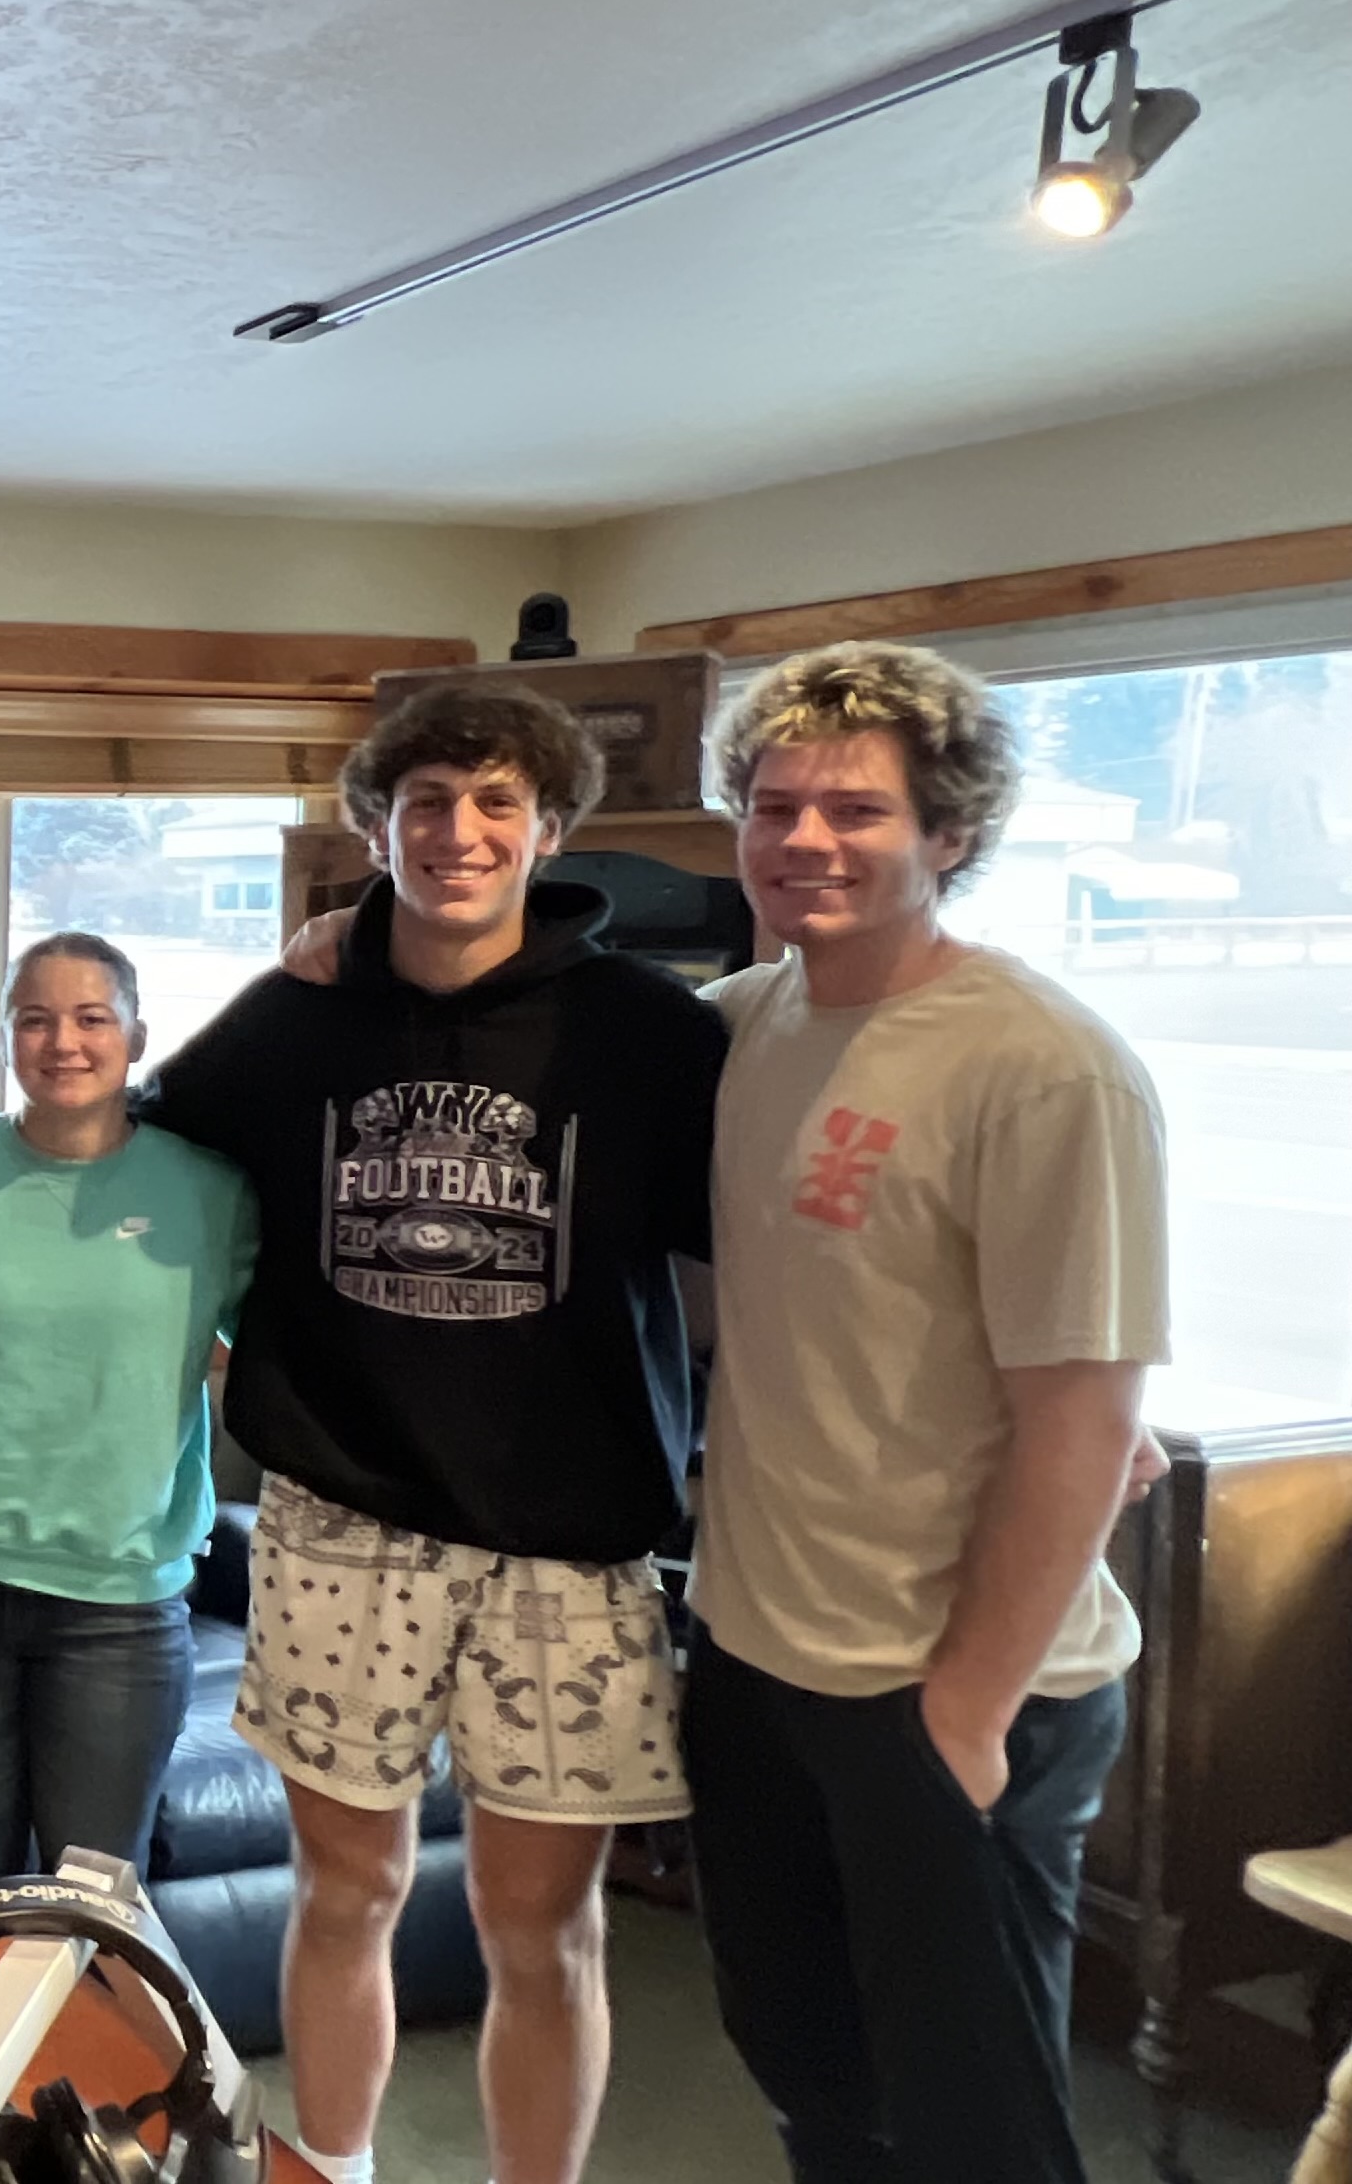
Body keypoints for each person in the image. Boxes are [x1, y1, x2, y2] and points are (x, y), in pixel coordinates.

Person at [140, 680, 721, 2184]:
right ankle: (333, 2165)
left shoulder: (652, 1034)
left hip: (569, 1546)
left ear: (550, 829)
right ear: (374, 829)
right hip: (343, 1521)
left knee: (546, 1928)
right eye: (426, 805)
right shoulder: (295, 1016)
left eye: (497, 804)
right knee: (345, 1894)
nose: (459, 834)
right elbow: (151, 1152)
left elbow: (766, 1253)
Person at [685, 643, 1166, 2183]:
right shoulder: (744, 1023)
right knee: (813, 2087)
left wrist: (964, 1710)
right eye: (773, 807)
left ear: (950, 831)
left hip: (951, 1686)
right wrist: (342, 944)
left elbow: (1085, 1422)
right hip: (757, 1659)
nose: (804, 840)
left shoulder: (1048, 1068)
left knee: (977, 2135)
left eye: (857, 810)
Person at [0, 932, 253, 1900]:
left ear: (136, 1037)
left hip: (120, 1605)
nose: (63, 1043)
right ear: (6, 1035)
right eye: (35, 1020)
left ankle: (96, 2017)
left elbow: (283, 1346)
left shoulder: (208, 1191)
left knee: (93, 1894)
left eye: (92, 1018)